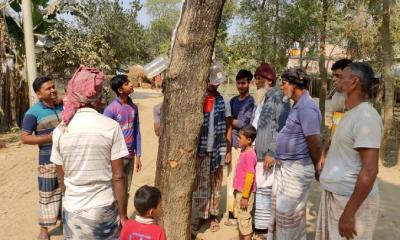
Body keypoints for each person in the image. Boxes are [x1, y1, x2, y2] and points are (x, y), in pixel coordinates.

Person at [50, 66, 129, 239]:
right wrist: (123, 215)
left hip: (72, 210)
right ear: (97, 97)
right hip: (103, 208)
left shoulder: (60, 130)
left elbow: (61, 179)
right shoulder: (110, 126)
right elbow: (118, 176)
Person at [316, 62, 382, 240]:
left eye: (341, 76)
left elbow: (370, 170)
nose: (335, 81)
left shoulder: (366, 117)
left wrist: (349, 213)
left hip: (349, 203)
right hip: (338, 197)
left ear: (353, 82)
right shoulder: (349, 114)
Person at [267, 68, 322, 239]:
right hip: (287, 169)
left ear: (294, 85)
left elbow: (314, 143)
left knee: (287, 215)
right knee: (285, 216)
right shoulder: (297, 105)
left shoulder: (307, 108)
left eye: (283, 83)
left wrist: (318, 167)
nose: (282, 87)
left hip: (296, 171)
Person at [251, 63, 290, 240]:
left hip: (268, 156)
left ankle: (266, 233)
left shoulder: (278, 98)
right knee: (261, 191)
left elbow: (282, 128)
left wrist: (272, 152)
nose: (256, 82)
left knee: (267, 193)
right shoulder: (262, 98)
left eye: (259, 78)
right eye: (255, 78)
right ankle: (261, 230)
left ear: (269, 80)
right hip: (258, 155)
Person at [20, 76, 63, 240]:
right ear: (38, 94)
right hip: (48, 161)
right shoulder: (32, 113)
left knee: (67, 192)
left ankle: (65, 222)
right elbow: (25, 138)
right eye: (48, 88)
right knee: (47, 194)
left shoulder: (62, 106)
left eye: (53, 87)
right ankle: (44, 230)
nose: (53, 90)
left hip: (66, 159)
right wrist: (48, 138)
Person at [192, 75, 228, 233]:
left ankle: (214, 216)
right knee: (201, 183)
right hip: (201, 149)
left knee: (216, 183)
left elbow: (228, 127)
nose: (212, 83)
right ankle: (200, 216)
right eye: (210, 80)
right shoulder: (199, 100)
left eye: (215, 81)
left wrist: (227, 150)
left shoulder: (224, 102)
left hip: (218, 148)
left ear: (219, 82)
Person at [104, 75, 142, 205]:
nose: (131, 84)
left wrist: (138, 156)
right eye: (127, 83)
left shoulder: (133, 108)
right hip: (116, 157)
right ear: (120, 90)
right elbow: (105, 137)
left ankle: (122, 220)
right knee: (114, 191)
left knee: (126, 189)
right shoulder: (110, 110)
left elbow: (137, 131)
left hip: (130, 156)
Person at [225, 69, 255, 225]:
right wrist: (231, 122)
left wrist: (229, 120)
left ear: (249, 83)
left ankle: (240, 213)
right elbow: (233, 123)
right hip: (233, 145)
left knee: (242, 179)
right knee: (231, 177)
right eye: (238, 83)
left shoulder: (250, 102)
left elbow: (243, 123)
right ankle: (231, 212)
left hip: (244, 147)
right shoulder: (233, 101)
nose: (240, 86)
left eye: (243, 83)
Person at [320, 59, 352, 168]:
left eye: (338, 76)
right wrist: (324, 152)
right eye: (333, 75)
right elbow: (335, 128)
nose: (333, 79)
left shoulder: (362, 110)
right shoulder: (338, 98)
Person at [233, 125, 257, 240]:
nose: (238, 139)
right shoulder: (244, 151)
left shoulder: (250, 155)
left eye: (240, 137)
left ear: (249, 140)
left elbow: (249, 177)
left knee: (245, 221)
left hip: (245, 194)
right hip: (241, 192)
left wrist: (245, 196)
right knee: (242, 221)